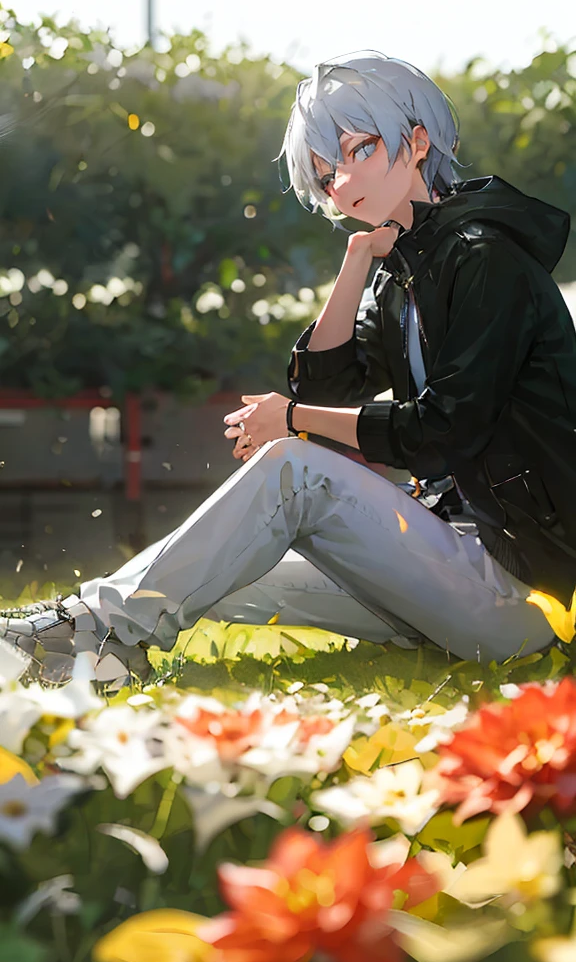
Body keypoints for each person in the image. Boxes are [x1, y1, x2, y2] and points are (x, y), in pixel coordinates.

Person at [2, 50, 575, 683]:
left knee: (292, 472)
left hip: (531, 595)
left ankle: (86, 633)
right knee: (215, 560)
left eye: (358, 150)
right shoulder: (403, 271)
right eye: (326, 173)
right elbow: (326, 380)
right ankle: (91, 652)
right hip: (449, 568)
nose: (341, 184)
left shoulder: (484, 259)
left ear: (417, 143)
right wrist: (358, 260)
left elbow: (442, 428)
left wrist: (292, 421)